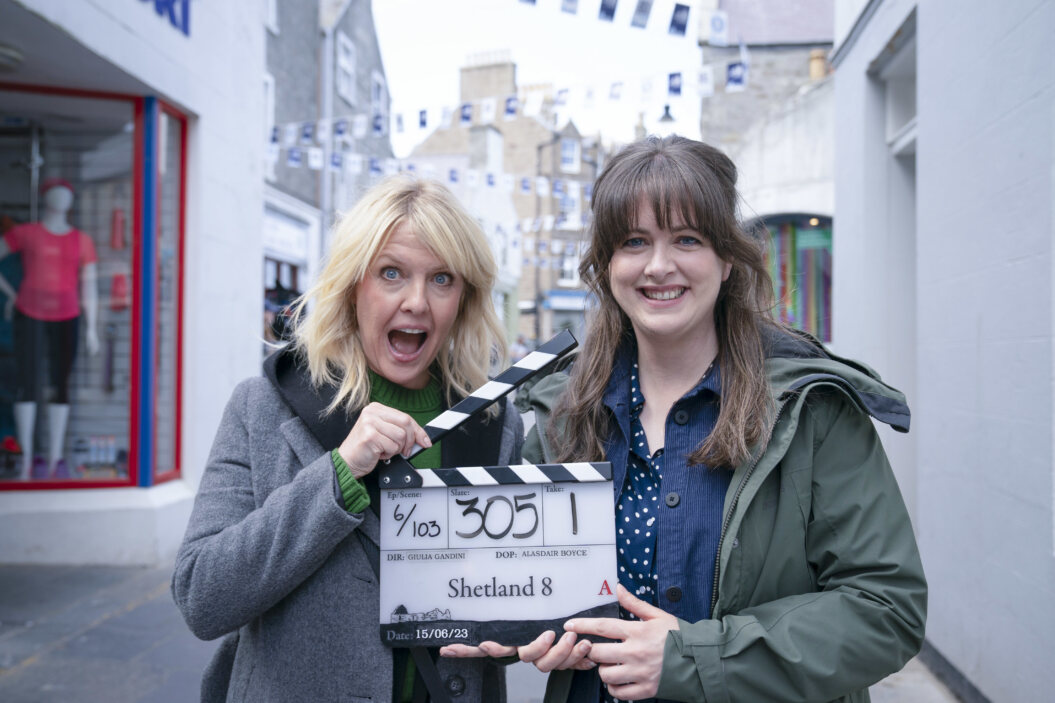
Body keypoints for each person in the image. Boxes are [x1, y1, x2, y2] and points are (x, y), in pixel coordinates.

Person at [441, 136, 926, 702]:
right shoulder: (561, 413)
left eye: (687, 239)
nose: (658, 266)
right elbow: (522, 586)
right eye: (634, 241)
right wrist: (533, 629)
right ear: (606, 265)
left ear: (726, 259)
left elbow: (886, 611)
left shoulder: (812, 409)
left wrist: (700, 660)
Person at [173, 175, 523, 702]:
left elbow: (512, 599)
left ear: (463, 298)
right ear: (352, 284)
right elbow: (202, 596)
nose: (416, 302)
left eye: (442, 279)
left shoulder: (497, 426)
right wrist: (337, 475)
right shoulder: (263, 407)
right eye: (391, 273)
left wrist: (528, 633)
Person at [0, 178, 99, 480]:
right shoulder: (25, 233)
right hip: (29, 313)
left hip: (68, 316)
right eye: (56, 191)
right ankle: (27, 459)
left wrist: (92, 326)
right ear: (45, 197)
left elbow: (90, 285)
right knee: (27, 383)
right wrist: (12, 294)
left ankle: (55, 458)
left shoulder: (81, 240)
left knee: (61, 385)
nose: (62, 197)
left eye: (67, 192)